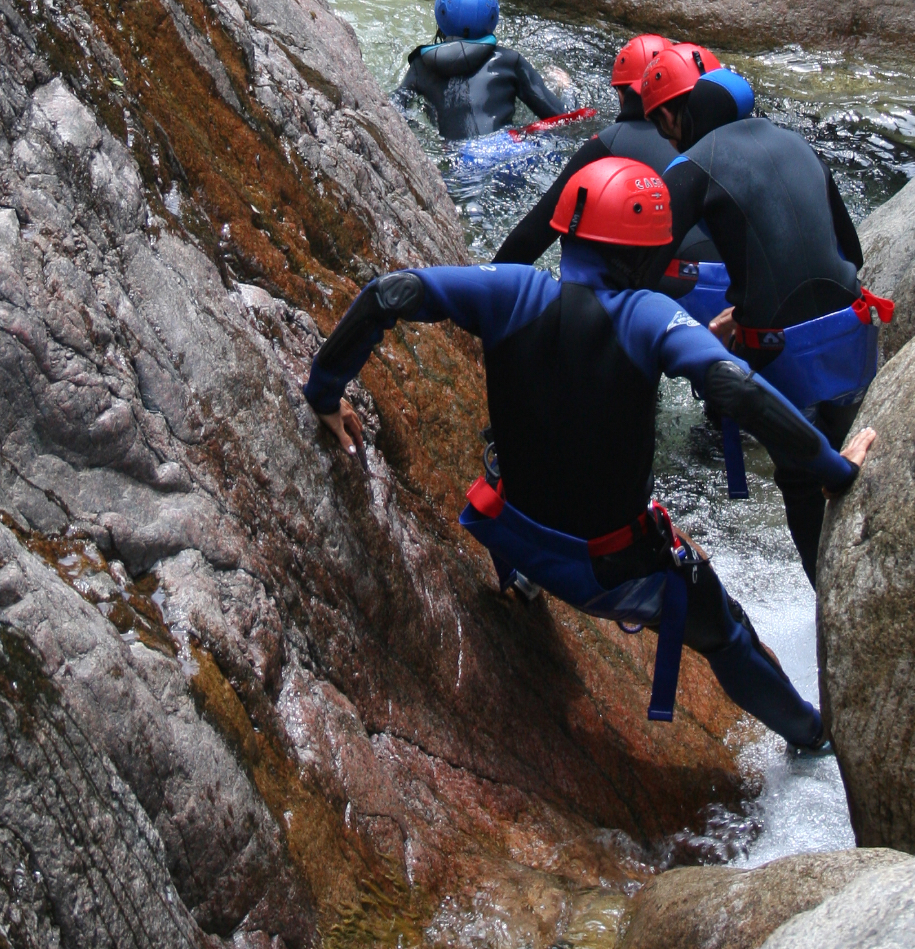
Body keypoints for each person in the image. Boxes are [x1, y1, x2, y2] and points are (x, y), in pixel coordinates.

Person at [304, 157, 876, 748]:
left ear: (568, 232)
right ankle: (814, 737)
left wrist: (324, 391)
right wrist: (833, 470)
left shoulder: (510, 289)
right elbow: (733, 388)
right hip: (609, 573)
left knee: (512, 450)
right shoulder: (647, 314)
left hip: (505, 525)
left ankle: (524, 580)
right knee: (726, 633)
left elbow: (391, 291)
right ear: (642, 252)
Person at [645, 51, 893, 584]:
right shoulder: (798, 143)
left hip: (782, 356)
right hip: (853, 337)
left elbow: (642, 264)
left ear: (692, 118)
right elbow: (851, 249)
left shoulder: (692, 164)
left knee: (803, 483)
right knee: (853, 481)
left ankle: (826, 595)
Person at [493, 37, 752, 267]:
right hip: (737, 281)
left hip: (667, 285)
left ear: (623, 93)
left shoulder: (611, 142)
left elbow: (532, 235)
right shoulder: (737, 138)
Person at [399, 0, 565, 141]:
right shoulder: (509, 61)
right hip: (507, 147)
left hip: (455, 158)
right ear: (493, 17)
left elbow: (395, 109)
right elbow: (563, 117)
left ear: (440, 12)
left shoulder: (421, 67)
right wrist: (566, 88)